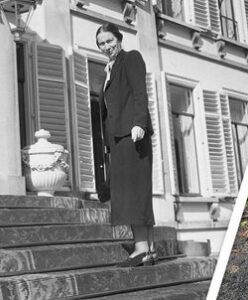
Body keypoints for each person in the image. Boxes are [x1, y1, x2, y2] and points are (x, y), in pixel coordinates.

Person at [96, 23, 155, 267]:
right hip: (119, 139)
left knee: (134, 191)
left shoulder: (131, 58)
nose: (106, 47)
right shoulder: (110, 69)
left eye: (109, 41)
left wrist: (139, 122)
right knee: (133, 190)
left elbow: (140, 92)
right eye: (101, 44)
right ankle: (149, 249)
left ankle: (141, 249)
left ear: (119, 39)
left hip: (133, 135)